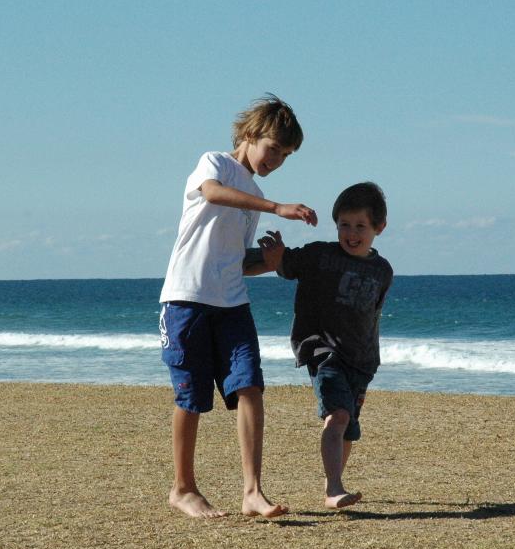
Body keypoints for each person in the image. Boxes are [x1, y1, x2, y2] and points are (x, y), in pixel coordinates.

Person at [159, 94, 318, 519]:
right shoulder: (214, 164)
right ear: (250, 135)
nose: (278, 160)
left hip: (232, 303)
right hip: (187, 298)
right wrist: (275, 207)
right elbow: (212, 194)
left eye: (286, 155)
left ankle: (252, 492)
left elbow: (236, 261)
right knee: (191, 396)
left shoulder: (255, 193)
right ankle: (183, 488)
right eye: (274, 149)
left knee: (249, 387)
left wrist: (268, 263)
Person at [260, 182, 393, 509]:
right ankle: (334, 488)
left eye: (360, 226)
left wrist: (372, 360)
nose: (351, 233)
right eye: (344, 225)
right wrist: (276, 257)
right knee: (337, 416)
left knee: (348, 428)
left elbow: (371, 316)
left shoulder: (382, 270)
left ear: (379, 228)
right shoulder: (320, 255)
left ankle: (332, 484)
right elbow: (287, 264)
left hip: (361, 362)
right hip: (324, 351)